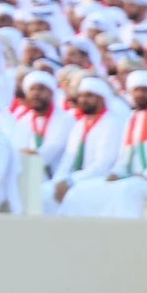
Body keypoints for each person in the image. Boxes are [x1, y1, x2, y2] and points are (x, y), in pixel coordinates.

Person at [56, 70, 147, 218]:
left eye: (145, 90)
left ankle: (126, 234)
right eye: (136, 91)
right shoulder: (133, 117)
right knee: (82, 189)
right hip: (137, 177)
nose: (140, 94)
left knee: (127, 190)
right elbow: (125, 156)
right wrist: (116, 173)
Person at [41, 77, 123, 215]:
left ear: (102, 99)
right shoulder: (79, 124)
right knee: (44, 191)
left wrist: (70, 181)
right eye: (81, 96)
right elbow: (68, 159)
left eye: (89, 96)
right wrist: (59, 180)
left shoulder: (112, 123)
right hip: (75, 178)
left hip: (100, 178)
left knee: (74, 196)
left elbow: (103, 164)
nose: (84, 100)